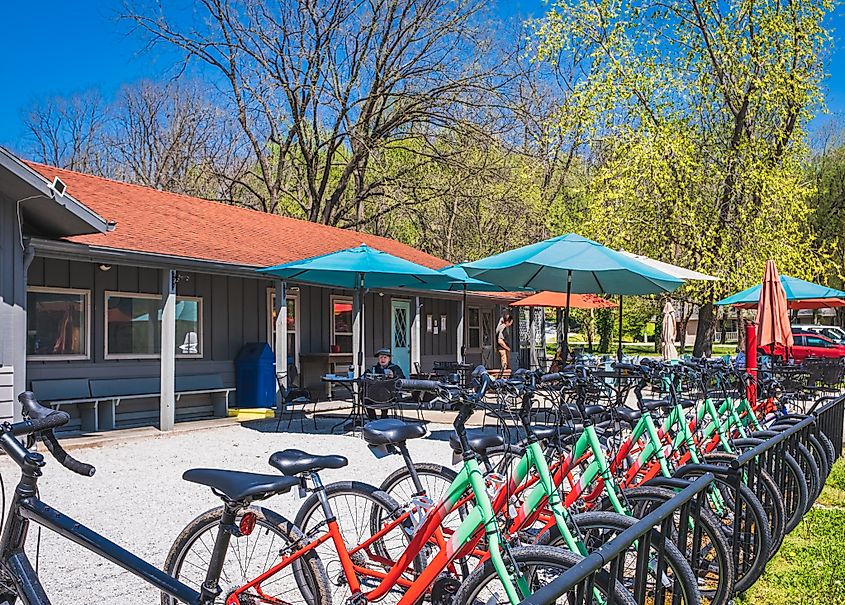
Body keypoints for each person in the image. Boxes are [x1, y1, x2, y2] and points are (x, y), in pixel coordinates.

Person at [365, 348, 405, 420]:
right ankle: (372, 419)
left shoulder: (395, 368)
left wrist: (394, 376)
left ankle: (384, 416)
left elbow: (402, 379)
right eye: (380, 357)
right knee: (364, 394)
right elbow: (364, 376)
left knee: (383, 390)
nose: (382, 359)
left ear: (389, 359)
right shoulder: (373, 368)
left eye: (385, 357)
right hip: (374, 395)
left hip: (391, 395)